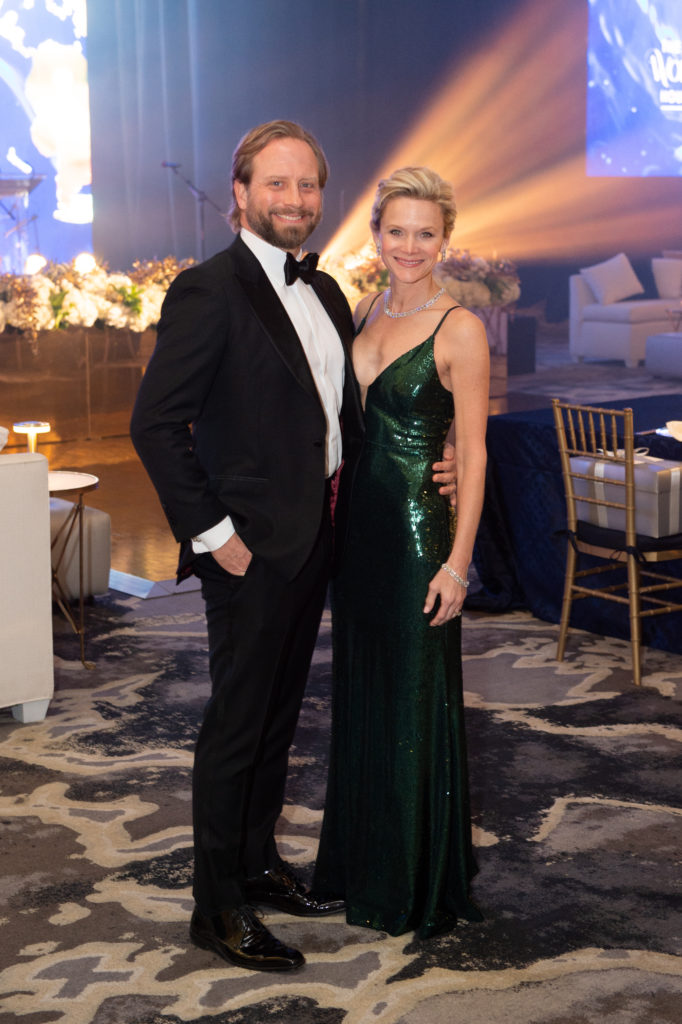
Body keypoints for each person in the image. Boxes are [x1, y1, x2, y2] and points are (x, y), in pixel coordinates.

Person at [130, 122, 455, 972]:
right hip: (249, 550)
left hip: (320, 540)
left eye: (309, 186)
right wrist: (215, 538)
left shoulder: (329, 293)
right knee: (235, 727)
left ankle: (259, 862)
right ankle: (217, 907)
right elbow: (157, 425)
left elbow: (349, 414)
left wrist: (439, 453)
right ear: (240, 193)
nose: (296, 201)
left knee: (278, 721)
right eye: (277, 185)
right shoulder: (208, 290)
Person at [312, 167, 490, 939]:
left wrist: (458, 562)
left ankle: (415, 877)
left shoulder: (461, 328)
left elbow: (474, 455)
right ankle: (360, 862)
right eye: (396, 231)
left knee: (415, 701)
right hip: (356, 536)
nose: (409, 246)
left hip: (421, 537)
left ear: (444, 239)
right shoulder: (363, 309)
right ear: (377, 236)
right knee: (363, 692)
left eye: (425, 232)